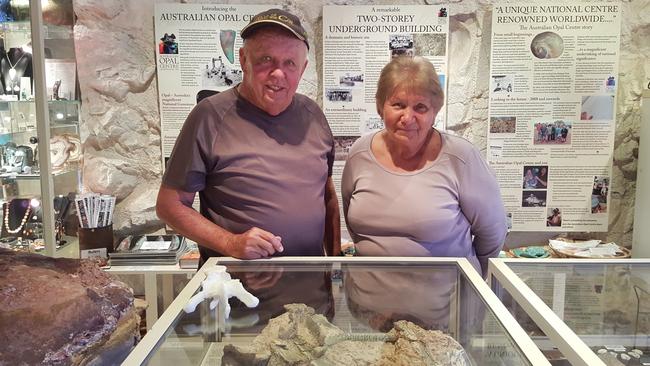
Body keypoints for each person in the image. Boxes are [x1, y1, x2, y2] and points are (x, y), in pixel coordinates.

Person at [157, 8, 340, 264]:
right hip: (235, 291)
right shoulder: (209, 116)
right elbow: (170, 206)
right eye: (266, 59)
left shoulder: (314, 115)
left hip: (309, 286)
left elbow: (327, 194)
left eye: (290, 63)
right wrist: (231, 243)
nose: (278, 73)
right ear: (244, 60)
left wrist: (336, 263)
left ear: (303, 68)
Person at [341, 56, 507, 276]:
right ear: (381, 107)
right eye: (398, 105)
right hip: (370, 304)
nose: (407, 117)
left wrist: (469, 285)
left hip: (446, 305)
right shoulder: (359, 153)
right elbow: (354, 225)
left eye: (420, 107)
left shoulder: (462, 157)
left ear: (434, 112)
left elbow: (492, 234)